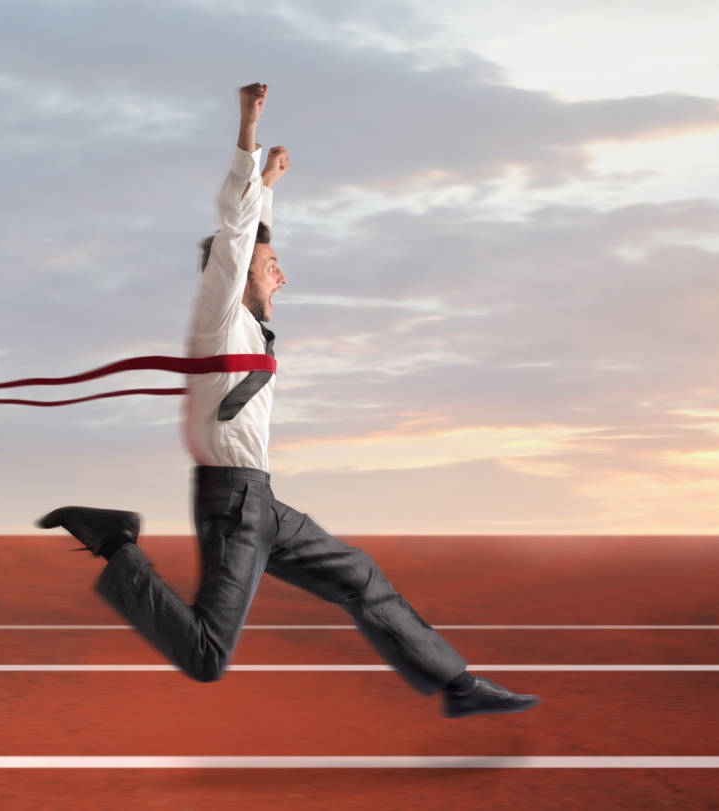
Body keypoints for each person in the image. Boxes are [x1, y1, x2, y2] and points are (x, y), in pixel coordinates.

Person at [38, 82, 539, 719]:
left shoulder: (245, 328)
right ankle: (114, 543)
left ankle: (458, 686)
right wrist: (248, 127)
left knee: (360, 577)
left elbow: (252, 229)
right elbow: (238, 228)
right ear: (234, 267)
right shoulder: (220, 313)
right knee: (205, 656)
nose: (283, 274)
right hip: (233, 503)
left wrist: (270, 182)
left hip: (261, 502)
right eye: (270, 264)